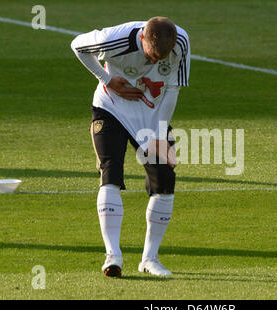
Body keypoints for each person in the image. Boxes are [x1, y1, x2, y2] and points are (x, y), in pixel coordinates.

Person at [71, 17, 190, 277]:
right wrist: (106, 78)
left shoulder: (181, 42)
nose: (158, 62)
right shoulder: (113, 39)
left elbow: (173, 88)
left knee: (165, 179)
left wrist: (159, 133)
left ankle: (150, 259)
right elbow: (77, 45)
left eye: (163, 57)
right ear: (142, 41)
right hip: (110, 108)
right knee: (110, 173)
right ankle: (113, 256)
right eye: (152, 56)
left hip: (151, 116)